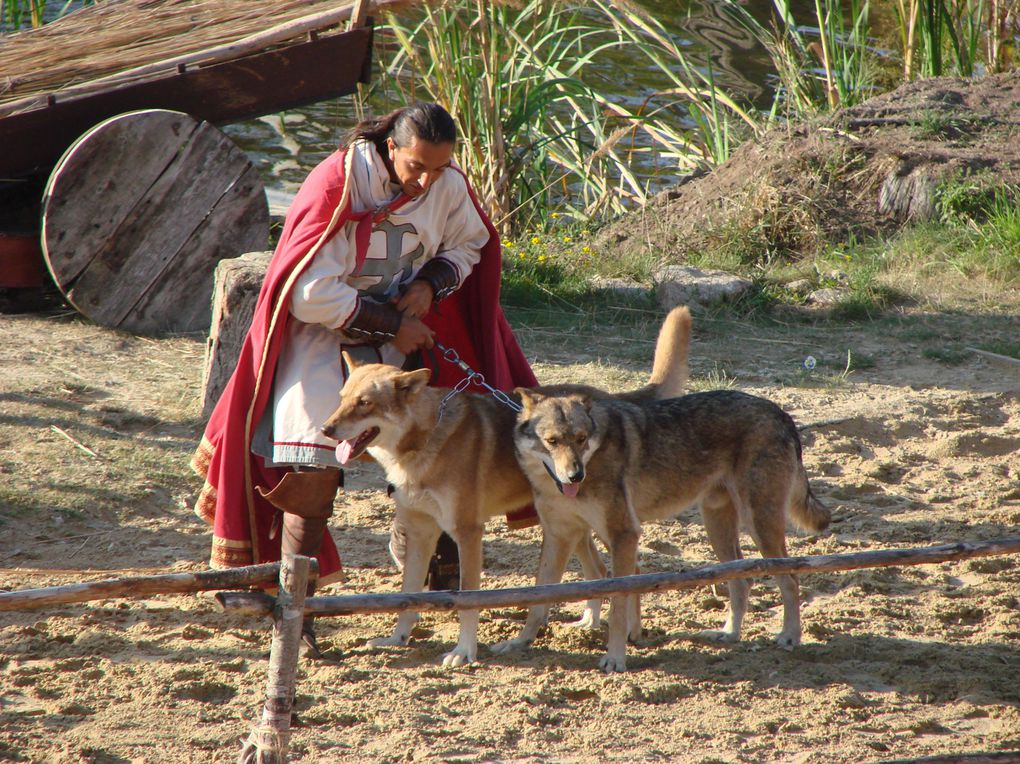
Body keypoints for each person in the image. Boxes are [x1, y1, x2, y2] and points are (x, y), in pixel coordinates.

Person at [191, 101, 538, 655]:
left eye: (438, 168)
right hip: (323, 333)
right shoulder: (338, 185)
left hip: (406, 325)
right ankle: (297, 613)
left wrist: (430, 283)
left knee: (451, 430)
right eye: (415, 167)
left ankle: (442, 575)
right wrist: (388, 323)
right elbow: (307, 294)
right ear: (391, 147)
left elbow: (470, 241)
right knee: (309, 457)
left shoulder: (446, 183)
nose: (426, 180)